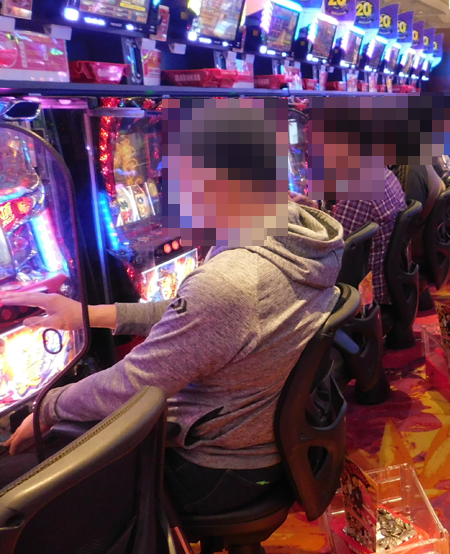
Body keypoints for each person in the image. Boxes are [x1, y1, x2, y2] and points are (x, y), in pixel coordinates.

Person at [0, 99, 346, 517]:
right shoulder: (287, 238)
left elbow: (134, 383)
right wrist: (90, 315)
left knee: (30, 480)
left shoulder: (231, 280)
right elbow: (196, 314)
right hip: (267, 436)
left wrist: (47, 408)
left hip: (220, 466)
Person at [331, 167, 407, 306]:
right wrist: (312, 208)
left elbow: (333, 251)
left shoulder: (357, 191)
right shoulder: (385, 174)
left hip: (368, 293)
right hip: (393, 282)